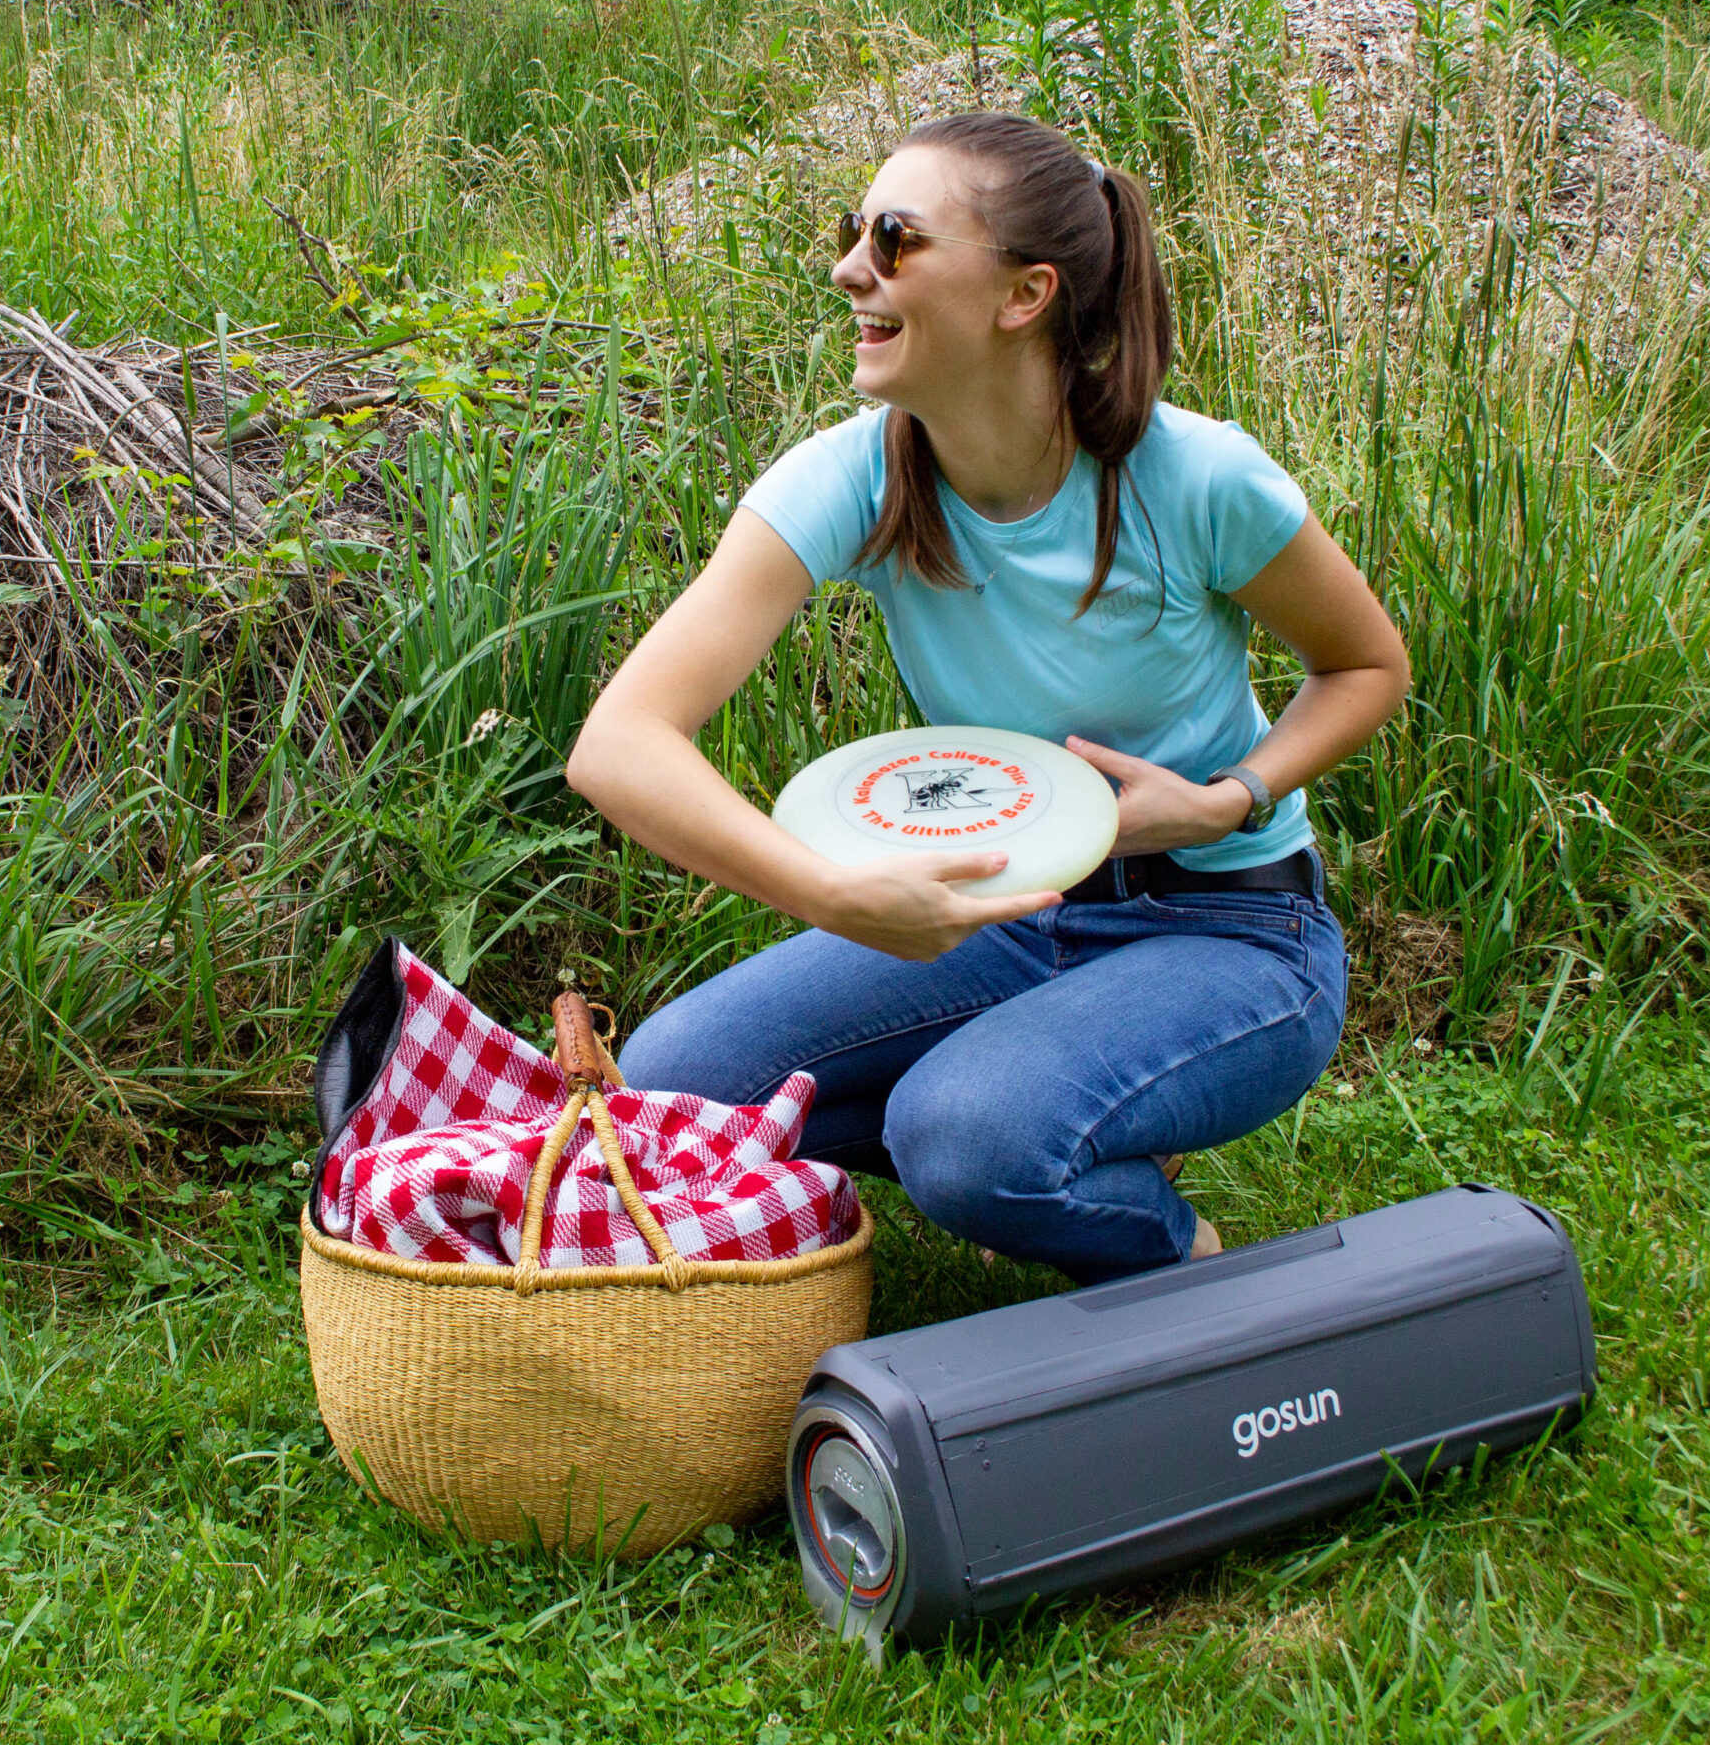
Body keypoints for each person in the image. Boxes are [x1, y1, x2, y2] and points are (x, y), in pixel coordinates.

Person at [563, 113, 1409, 1286]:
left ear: (1025, 293)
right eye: (852, 229)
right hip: (1001, 918)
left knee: (962, 1135)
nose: (850, 266)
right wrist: (834, 896)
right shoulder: (855, 474)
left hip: (1231, 928)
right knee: (672, 1089)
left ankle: (1168, 1243)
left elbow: (1368, 666)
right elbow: (620, 743)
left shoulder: (1194, 476)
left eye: (896, 238)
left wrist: (1234, 793)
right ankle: (1047, 1102)